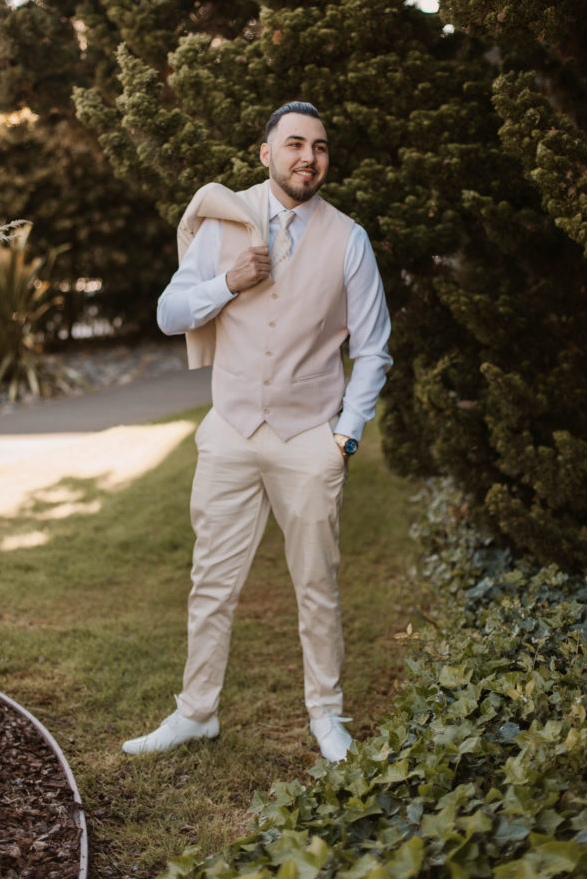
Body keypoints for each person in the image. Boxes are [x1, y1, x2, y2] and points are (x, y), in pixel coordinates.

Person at [122, 101, 392, 762]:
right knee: (210, 581)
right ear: (265, 153)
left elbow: (374, 349)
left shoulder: (347, 238)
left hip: (309, 436)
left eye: (320, 147)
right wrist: (226, 281)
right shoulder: (221, 224)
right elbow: (167, 314)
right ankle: (195, 713)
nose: (309, 157)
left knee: (316, 583)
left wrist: (345, 436)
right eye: (295, 144)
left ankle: (326, 714)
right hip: (231, 429)